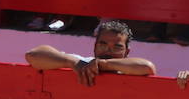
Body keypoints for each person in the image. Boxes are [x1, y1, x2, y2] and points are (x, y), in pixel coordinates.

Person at [24, 20, 157, 86]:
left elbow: (148, 67)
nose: (107, 50)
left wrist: (103, 64)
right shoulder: (81, 63)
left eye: (117, 47)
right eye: (102, 44)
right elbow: (32, 55)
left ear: (127, 52)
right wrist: (71, 62)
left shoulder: (129, 69)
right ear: (95, 46)